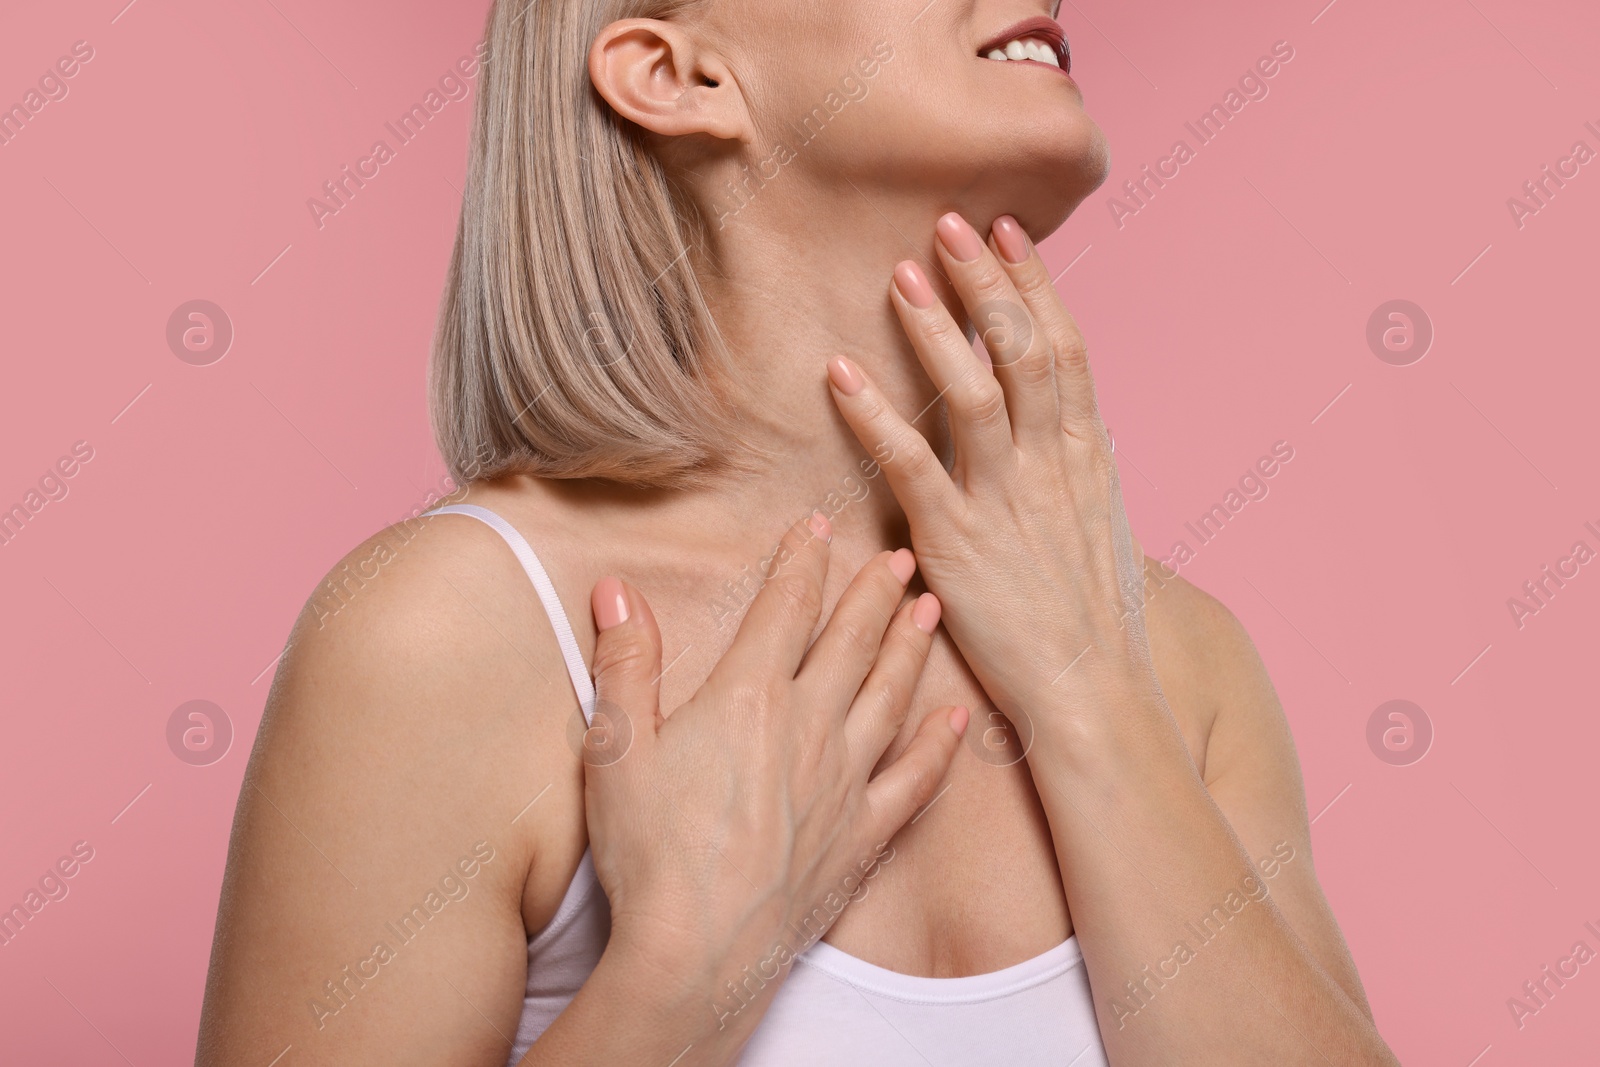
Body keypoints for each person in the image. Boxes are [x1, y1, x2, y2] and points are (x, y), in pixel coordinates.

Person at [197, 1, 1400, 1063]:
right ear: (677, 74)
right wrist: (683, 973)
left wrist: (1089, 693)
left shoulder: (1177, 661)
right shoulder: (447, 638)